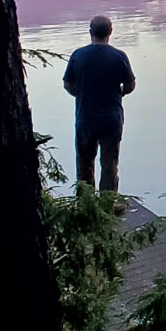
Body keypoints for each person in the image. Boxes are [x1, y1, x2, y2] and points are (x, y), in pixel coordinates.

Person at [62, 15, 135, 197]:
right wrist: (121, 92)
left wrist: (82, 94)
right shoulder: (118, 56)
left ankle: (86, 205)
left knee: (84, 163)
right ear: (110, 31)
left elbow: (68, 84)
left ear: (90, 32)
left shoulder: (78, 55)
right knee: (109, 163)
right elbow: (130, 85)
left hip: (85, 119)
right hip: (111, 119)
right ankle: (108, 202)